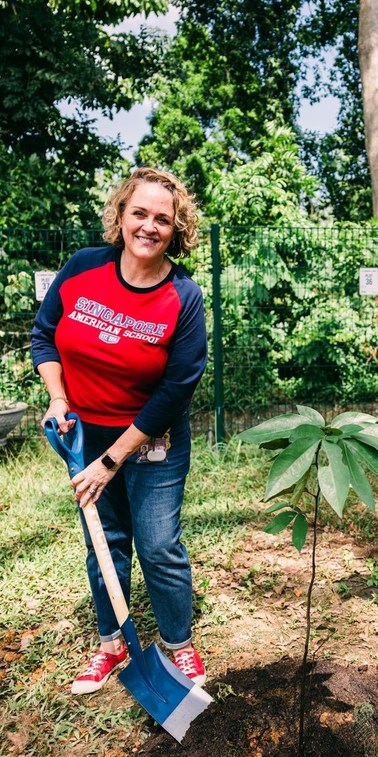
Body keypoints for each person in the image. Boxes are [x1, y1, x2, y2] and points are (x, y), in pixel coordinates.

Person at [31, 166, 209, 693]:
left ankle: (178, 646)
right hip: (85, 433)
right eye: (140, 213)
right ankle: (111, 644)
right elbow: (45, 337)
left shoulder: (183, 295)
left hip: (153, 438)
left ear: (176, 228)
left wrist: (113, 461)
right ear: (121, 215)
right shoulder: (83, 268)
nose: (149, 226)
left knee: (157, 544)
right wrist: (57, 398)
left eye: (162, 218)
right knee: (104, 541)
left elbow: (177, 388)